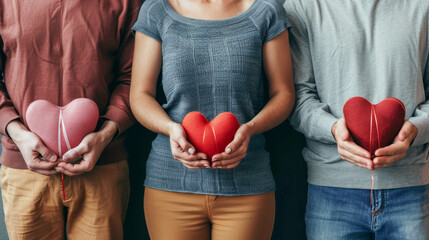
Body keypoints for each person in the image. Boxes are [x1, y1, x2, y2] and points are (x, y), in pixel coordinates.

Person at [130, 0, 295, 239]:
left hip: (247, 185)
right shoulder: (157, 10)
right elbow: (139, 95)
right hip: (170, 184)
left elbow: (284, 94)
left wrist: (250, 128)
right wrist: (170, 129)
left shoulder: (266, 10)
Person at [285, 0, 429, 239]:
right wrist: (332, 129)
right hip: (331, 191)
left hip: (410, 187)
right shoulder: (302, 5)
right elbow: (295, 97)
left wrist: (415, 129)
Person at [0, 1, 142, 239]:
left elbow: (134, 79)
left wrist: (104, 135)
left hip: (103, 163)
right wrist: (19, 135)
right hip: (24, 168)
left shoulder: (127, 3)